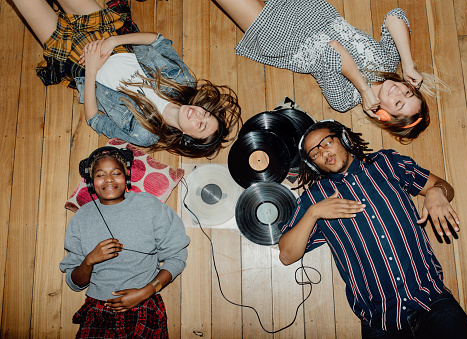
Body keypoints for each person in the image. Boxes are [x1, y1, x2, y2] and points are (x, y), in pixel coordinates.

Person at [278, 120, 467, 338]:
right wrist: (313, 213)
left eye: (326, 142)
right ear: (313, 165)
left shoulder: (387, 163)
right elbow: (287, 255)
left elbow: (444, 187)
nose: (323, 152)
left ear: (344, 138)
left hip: (432, 303)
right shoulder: (315, 198)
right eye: (314, 154)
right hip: (380, 322)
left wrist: (435, 192)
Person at [11, 0, 242, 158]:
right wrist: (113, 42)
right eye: (206, 113)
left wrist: (90, 71)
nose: (198, 114)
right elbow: (157, 41)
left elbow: (94, 120)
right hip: (105, 32)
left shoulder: (144, 134)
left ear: (188, 139)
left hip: (77, 59)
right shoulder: (183, 81)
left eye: (200, 125)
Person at [214, 0, 434, 142]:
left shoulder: (344, 100)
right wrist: (407, 63)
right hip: (305, 8)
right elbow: (395, 16)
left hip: (281, 34)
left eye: (398, 103)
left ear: (384, 115)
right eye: (408, 93)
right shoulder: (387, 64)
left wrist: (363, 88)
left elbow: (332, 50)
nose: (399, 92)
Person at [60, 147, 190, 338]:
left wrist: (145, 292)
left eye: (116, 173)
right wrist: (89, 261)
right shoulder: (81, 218)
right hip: (98, 312)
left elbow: (176, 256)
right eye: (100, 174)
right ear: (91, 182)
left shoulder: (149, 206)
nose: (109, 179)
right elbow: (74, 282)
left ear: (127, 177)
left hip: (144, 306)